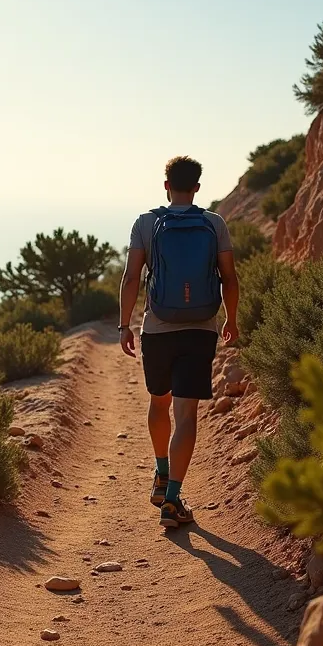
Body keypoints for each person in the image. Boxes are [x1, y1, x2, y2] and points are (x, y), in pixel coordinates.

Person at [117, 156, 239, 529]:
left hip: (158, 328)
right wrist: (231, 319)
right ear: (197, 187)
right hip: (200, 329)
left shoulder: (146, 223)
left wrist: (124, 325)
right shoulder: (214, 223)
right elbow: (229, 278)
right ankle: (172, 500)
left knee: (159, 401)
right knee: (186, 414)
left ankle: (161, 473)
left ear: (166, 185)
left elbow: (131, 278)